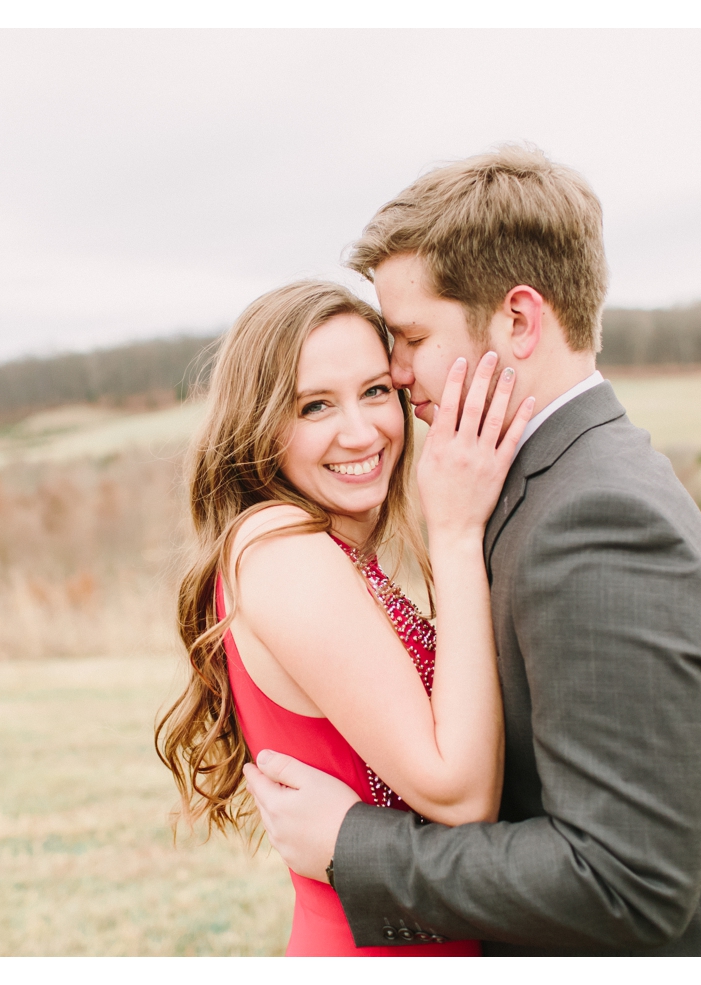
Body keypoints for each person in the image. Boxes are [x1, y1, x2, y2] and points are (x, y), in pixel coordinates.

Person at [242, 146, 701, 956]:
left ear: (518, 320)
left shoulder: (598, 518)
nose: (398, 373)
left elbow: (627, 881)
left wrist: (353, 846)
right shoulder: (535, 482)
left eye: (411, 338)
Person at [155, 279, 535, 955]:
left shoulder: (329, 552)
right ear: (259, 424)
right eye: (315, 405)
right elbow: (458, 792)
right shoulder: (278, 547)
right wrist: (452, 533)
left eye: (375, 391)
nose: (361, 431)